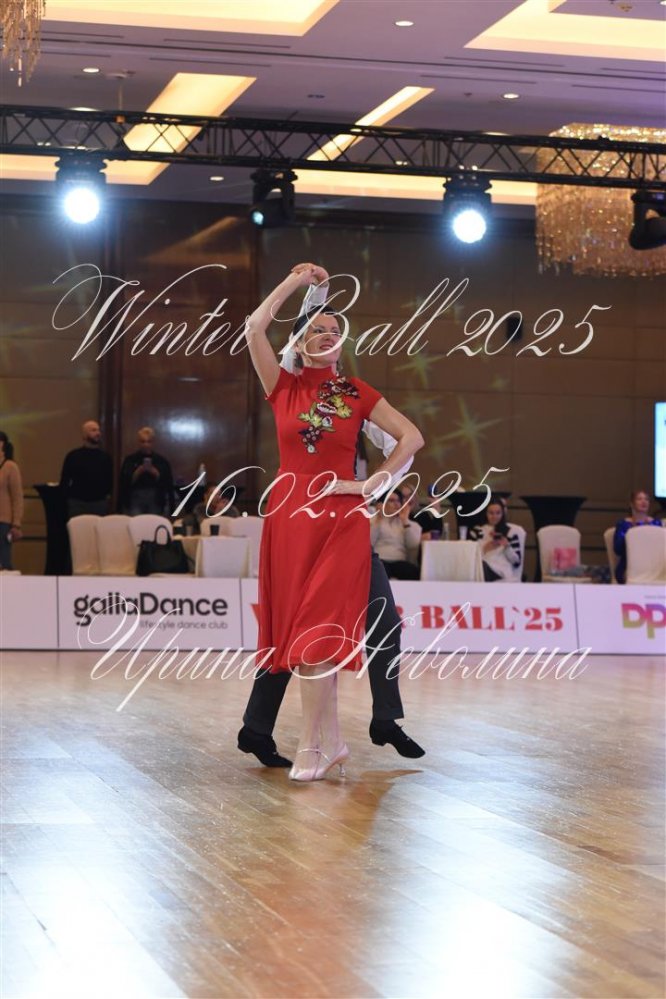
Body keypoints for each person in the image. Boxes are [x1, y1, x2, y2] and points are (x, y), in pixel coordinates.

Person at [238, 262, 425, 782]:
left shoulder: (357, 392)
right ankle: (327, 741)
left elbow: (411, 438)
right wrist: (297, 282)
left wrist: (368, 485)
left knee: (321, 631)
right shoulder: (282, 386)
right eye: (318, 329)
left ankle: (313, 746)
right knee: (296, 628)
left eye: (336, 330)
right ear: (298, 342)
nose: (328, 334)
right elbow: (254, 327)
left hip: (339, 519)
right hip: (289, 520)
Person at [59, 419, 113, 519]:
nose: (98, 433)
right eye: (93, 430)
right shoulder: (73, 456)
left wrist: (106, 497)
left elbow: (109, 481)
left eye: (98, 430)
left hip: (99, 503)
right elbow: (65, 480)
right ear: (84, 435)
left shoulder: (105, 457)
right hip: (77, 503)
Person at [119, 427, 175, 516]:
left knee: (153, 522)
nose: (146, 444)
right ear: (138, 442)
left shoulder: (161, 461)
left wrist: (155, 473)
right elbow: (124, 482)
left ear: (153, 443)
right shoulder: (130, 460)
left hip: (156, 498)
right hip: (135, 497)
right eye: (143, 441)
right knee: (136, 522)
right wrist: (138, 472)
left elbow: (167, 483)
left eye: (149, 441)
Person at [613, 489, 662, 584]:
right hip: (628, 565)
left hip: (653, 566)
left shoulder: (656, 523)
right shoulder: (623, 524)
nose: (644, 502)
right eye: (639, 499)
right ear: (632, 504)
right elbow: (618, 550)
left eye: (646, 499)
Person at [370, 490, 422, 579]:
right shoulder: (372, 521)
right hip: (380, 560)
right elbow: (369, 543)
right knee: (378, 571)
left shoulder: (410, 524)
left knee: (413, 572)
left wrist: (405, 521)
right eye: (391, 501)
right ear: (382, 504)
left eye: (398, 501)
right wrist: (379, 520)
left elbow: (413, 545)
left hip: (399, 561)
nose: (396, 504)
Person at [469, 498, 523, 582]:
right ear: (486, 513)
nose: (494, 517)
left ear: (502, 514)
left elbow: (516, 563)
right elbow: (470, 557)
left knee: (481, 568)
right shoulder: (477, 531)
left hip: (500, 571)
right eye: (491, 513)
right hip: (481, 567)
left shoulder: (511, 533)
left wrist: (507, 546)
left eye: (498, 513)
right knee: (477, 567)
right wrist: (485, 548)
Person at [0, 431, 23, 571]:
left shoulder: (10, 466)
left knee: (4, 561)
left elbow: (17, 497)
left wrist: (16, 523)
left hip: (3, 522)